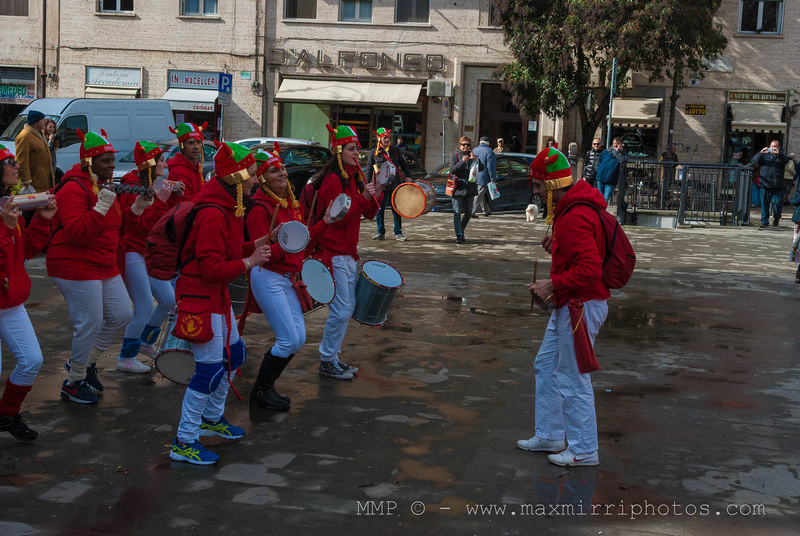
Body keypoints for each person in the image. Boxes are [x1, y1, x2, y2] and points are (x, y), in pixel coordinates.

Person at [169, 141, 270, 465]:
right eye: (253, 175)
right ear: (238, 178)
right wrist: (250, 261)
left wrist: (257, 243)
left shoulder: (224, 205)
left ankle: (212, 418)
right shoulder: (213, 212)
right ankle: (184, 440)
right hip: (201, 296)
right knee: (209, 370)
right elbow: (212, 267)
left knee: (234, 354)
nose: (257, 180)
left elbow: (227, 250)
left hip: (214, 295)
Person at [517, 147, 610, 467]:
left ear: (554, 186)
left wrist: (552, 284)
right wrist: (556, 245)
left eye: (541, 186)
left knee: (572, 376)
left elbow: (590, 270)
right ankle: (551, 434)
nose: (538, 192)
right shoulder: (572, 211)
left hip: (580, 306)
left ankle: (584, 449)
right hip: (573, 304)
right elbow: (582, 256)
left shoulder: (574, 215)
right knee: (546, 365)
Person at [48, 130, 144, 404]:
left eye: (113, 160)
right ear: (89, 162)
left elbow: (115, 227)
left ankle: (84, 364)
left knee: (123, 314)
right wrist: (101, 206)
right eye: (105, 161)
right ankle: (74, 382)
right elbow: (78, 232)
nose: (112, 165)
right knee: (89, 323)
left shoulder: (101, 186)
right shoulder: (73, 188)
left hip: (103, 263)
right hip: (74, 265)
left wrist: (136, 209)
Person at [244, 146, 331, 410]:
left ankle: (266, 387)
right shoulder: (260, 208)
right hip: (268, 276)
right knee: (288, 339)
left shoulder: (291, 205)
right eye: (274, 170)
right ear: (261, 177)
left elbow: (302, 245)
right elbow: (262, 253)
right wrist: (287, 242)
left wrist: (326, 220)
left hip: (288, 277)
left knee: (299, 338)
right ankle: (260, 391)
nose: (281, 172)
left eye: (281, 167)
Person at [306, 124, 381, 380]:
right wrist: (362, 200)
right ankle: (327, 360)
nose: (357, 153)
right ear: (338, 151)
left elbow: (368, 213)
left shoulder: (352, 177)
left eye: (357, 149)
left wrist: (375, 193)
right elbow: (335, 218)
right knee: (341, 309)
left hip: (347, 253)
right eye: (351, 149)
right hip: (333, 252)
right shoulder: (332, 180)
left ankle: (332, 358)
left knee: (346, 308)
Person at [0, 144, 57, 440]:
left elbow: (26, 252)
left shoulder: (11, 204)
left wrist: (43, 223)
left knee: (32, 359)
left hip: (10, 301)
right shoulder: (8, 211)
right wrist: (7, 229)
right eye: (10, 161)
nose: (16, 165)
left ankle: (7, 414)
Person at [116, 141, 184, 372]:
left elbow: (161, 221)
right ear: (150, 164)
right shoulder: (133, 187)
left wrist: (173, 198)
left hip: (146, 252)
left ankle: (145, 342)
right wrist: (165, 200)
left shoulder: (153, 184)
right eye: (162, 160)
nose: (166, 164)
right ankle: (125, 357)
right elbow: (140, 227)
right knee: (144, 306)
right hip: (132, 251)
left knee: (168, 300)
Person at [367, 127, 412, 241]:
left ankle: (398, 233)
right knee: (379, 209)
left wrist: (409, 176)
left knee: (396, 209)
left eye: (387, 137)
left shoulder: (395, 150)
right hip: (380, 186)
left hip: (394, 184)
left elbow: (404, 164)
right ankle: (380, 232)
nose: (387, 140)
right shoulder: (374, 153)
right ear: (379, 139)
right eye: (384, 138)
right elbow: (368, 170)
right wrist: (369, 185)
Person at [751, 140, 789, 228]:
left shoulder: (782, 155)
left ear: (779, 147)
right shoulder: (764, 155)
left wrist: (778, 154)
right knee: (765, 204)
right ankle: (764, 221)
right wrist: (760, 153)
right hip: (765, 184)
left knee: (778, 203)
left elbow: (785, 161)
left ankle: (776, 218)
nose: (773, 148)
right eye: (772, 146)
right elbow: (755, 161)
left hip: (777, 185)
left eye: (775, 146)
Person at [14, 110, 54, 194]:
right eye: (43, 119)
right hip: (34, 185)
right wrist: (26, 183)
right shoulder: (24, 136)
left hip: (45, 182)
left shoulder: (40, 133)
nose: (45, 122)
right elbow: (21, 161)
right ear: (36, 122)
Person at [166, 122, 207, 200]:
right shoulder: (179, 171)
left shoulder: (195, 166)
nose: (196, 147)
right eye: (191, 143)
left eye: (199, 142)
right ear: (182, 146)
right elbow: (187, 204)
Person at [449, 136, 478, 244]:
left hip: (470, 188)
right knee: (457, 213)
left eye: (468, 144)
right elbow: (452, 170)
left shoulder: (473, 156)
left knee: (469, 213)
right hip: (458, 187)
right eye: (463, 144)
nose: (465, 146)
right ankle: (459, 235)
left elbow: (482, 168)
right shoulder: (455, 156)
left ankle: (460, 230)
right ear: (459, 145)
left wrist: (476, 159)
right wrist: (462, 161)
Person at [594, 137, 627, 208]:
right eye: (614, 143)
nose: (615, 145)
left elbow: (622, 161)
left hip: (611, 179)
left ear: (621, 144)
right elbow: (599, 160)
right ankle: (598, 213)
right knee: (599, 197)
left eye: (617, 144)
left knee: (605, 199)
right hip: (601, 176)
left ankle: (602, 212)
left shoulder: (623, 153)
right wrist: (598, 169)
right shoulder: (607, 151)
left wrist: (618, 152)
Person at [471, 136, 497, 218]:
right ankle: (472, 211)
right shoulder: (489, 151)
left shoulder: (474, 150)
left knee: (481, 193)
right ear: (488, 143)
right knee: (479, 194)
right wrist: (492, 178)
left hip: (474, 175)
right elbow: (491, 167)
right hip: (483, 176)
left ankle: (486, 210)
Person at [44, 119, 62, 183]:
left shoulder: (54, 137)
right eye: (50, 127)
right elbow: (47, 150)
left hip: (52, 166)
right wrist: (50, 141)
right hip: (46, 167)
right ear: (45, 127)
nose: (51, 129)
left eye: (53, 127)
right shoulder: (43, 138)